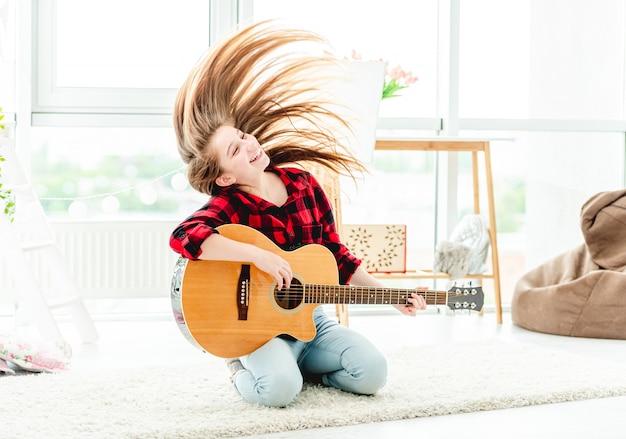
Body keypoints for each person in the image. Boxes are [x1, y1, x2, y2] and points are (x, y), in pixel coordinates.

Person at [169, 20, 427, 408]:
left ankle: (304, 368)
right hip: (259, 332)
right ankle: (241, 369)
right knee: (277, 391)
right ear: (224, 176)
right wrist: (261, 256)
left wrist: (390, 295)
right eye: (235, 151)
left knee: (372, 373)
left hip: (311, 321)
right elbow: (185, 236)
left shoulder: (304, 184)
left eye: (243, 136)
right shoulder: (231, 205)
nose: (249, 145)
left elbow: (337, 257)